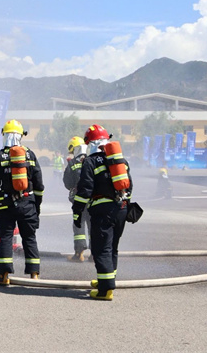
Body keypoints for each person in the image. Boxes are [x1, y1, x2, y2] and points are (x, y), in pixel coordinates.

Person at [72, 124, 133, 301]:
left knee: (101, 249)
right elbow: (130, 186)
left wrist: (77, 212)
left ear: (89, 143)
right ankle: (106, 280)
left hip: (102, 211)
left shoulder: (90, 161)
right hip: (121, 208)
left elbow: (84, 191)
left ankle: (105, 290)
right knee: (112, 247)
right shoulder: (121, 161)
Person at [0, 119, 44, 285]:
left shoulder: (0, 156)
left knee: (6, 237)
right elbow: (39, 184)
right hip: (28, 203)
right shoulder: (30, 154)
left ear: (4, 135)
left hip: (7, 205)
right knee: (29, 237)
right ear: (21, 135)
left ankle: (4, 276)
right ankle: (34, 274)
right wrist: (36, 205)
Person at [62, 136, 89, 261]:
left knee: (79, 226)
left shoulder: (72, 163)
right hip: (93, 200)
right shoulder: (91, 160)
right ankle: (95, 255)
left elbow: (67, 182)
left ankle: (79, 254)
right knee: (93, 226)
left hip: (78, 202)